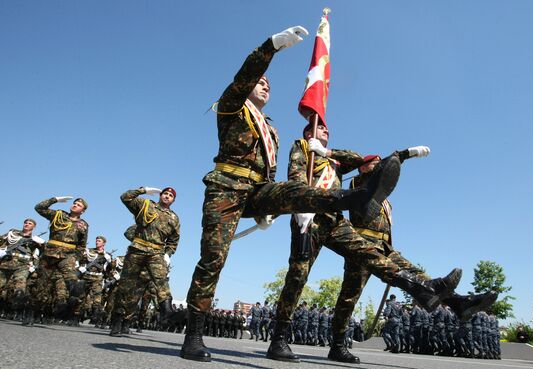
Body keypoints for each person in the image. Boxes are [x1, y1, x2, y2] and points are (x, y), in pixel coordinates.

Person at [180, 25, 405, 363]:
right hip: (226, 188)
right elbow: (246, 75)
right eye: (261, 82)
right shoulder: (231, 107)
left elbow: (271, 175)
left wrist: (266, 209)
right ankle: (193, 336)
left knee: (293, 191)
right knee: (213, 259)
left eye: (268, 83)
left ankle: (350, 198)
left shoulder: (271, 129)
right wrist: (269, 48)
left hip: (257, 189)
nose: (265, 84)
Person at [267, 125, 467, 363]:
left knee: (371, 256)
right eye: (320, 128)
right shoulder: (302, 147)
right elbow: (297, 175)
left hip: (335, 220)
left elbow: (357, 158)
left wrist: (326, 152)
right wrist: (300, 204)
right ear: (309, 132)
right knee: (298, 275)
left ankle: (423, 289)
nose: (326, 130)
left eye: (328, 129)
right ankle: (278, 339)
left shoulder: (333, 160)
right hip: (309, 218)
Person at [110, 186, 180, 336]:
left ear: (173, 200)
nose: (167, 196)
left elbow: (173, 241)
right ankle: (117, 320)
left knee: (161, 280)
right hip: (137, 249)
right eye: (165, 194)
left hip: (156, 253)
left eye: (170, 196)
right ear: (160, 196)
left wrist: (168, 254)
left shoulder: (174, 218)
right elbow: (125, 197)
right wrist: (143, 190)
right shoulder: (145, 205)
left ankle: (167, 310)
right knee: (125, 287)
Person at [33, 196, 89, 325]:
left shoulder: (83, 225)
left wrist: (76, 258)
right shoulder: (58, 215)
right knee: (42, 286)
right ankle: (33, 312)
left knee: (72, 281)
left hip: (68, 255)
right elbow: (39, 208)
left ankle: (72, 299)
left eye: (79, 205)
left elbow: (81, 245)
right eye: (74, 203)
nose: (75, 205)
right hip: (50, 253)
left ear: (83, 211)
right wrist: (55, 199)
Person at [0, 219, 44, 323]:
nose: (27, 224)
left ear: (34, 227)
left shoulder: (34, 239)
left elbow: (43, 253)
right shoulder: (13, 233)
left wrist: (43, 244)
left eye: (30, 223)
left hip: (22, 265)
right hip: (6, 263)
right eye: (26, 223)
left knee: (20, 289)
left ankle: (26, 312)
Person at [80, 235, 111, 326]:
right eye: (96, 240)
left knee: (97, 298)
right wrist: (82, 267)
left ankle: (95, 316)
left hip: (97, 278)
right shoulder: (89, 251)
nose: (97, 242)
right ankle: (76, 317)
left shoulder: (107, 255)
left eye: (99, 241)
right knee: (81, 297)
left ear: (104, 243)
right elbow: (82, 260)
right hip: (86, 276)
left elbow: (109, 269)